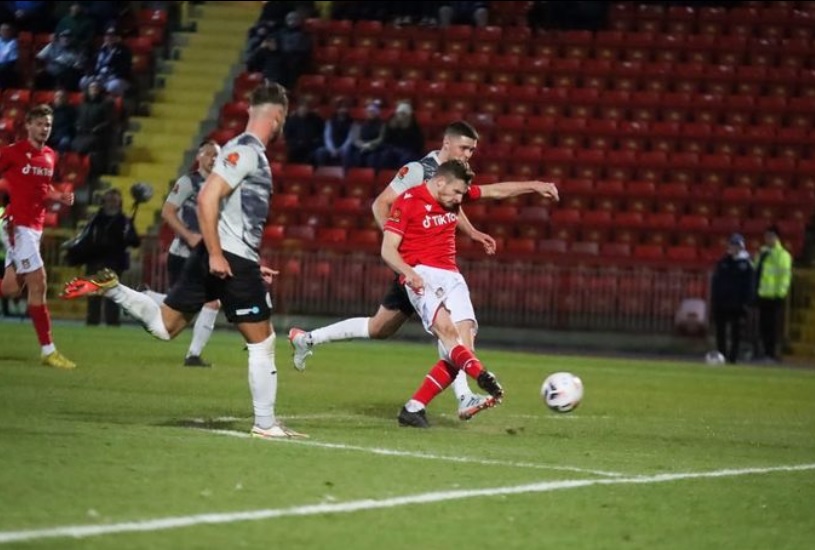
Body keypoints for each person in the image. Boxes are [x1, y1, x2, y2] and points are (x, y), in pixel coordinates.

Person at [61, 82, 306, 439]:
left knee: (165, 326)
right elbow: (208, 198)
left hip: (227, 255)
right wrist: (221, 254)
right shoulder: (248, 151)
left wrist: (242, 259)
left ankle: (112, 289)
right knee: (262, 342)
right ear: (277, 116)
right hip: (227, 257)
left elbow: (228, 211)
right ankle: (266, 424)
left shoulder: (239, 150)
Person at [290, 121, 559, 420]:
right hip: (414, 266)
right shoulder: (418, 172)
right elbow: (381, 204)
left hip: (432, 267)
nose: (468, 154)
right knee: (447, 332)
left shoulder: (453, 181)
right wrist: (400, 249)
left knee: (380, 328)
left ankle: (307, 339)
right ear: (447, 143)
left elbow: (463, 202)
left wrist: (473, 231)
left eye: (472, 150)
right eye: (464, 148)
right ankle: (459, 396)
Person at [382, 160, 507, 427]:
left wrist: (534, 186)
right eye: (458, 193)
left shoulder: (451, 197)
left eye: (463, 194)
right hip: (421, 275)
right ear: (440, 182)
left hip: (452, 277)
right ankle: (482, 377)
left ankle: (413, 408)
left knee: (463, 347)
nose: (460, 199)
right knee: (449, 335)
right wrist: (408, 272)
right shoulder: (408, 201)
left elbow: (496, 192)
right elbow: (387, 250)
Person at [0, 104, 76, 369]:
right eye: (40, 124)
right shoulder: (13, 152)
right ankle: (48, 350)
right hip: (18, 225)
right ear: (28, 125)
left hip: (34, 227)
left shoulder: (50, 156)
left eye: (48, 125)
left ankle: (48, 351)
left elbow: (43, 190)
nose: (45, 129)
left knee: (10, 289)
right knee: (39, 284)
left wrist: (59, 196)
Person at [155, 139, 222, 367]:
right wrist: (189, 236)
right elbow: (168, 212)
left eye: (217, 155)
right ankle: (146, 296)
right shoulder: (188, 182)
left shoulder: (220, 185)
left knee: (208, 303)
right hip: (183, 255)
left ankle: (193, 355)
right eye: (209, 153)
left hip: (204, 256)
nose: (214, 158)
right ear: (199, 157)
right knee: (182, 310)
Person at [83, 188, 140, 326]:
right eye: (109, 201)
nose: (111, 204)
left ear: (120, 203)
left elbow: (135, 242)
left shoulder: (125, 221)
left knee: (113, 298)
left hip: (114, 263)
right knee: (94, 297)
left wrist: (128, 235)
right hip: (95, 261)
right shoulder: (95, 220)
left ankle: (112, 324)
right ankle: (92, 324)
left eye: (114, 201)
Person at [710, 233, 754, 364]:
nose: (733, 248)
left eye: (736, 245)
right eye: (732, 245)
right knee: (720, 331)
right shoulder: (723, 262)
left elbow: (750, 285)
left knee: (736, 332)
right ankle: (721, 355)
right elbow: (716, 281)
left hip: (738, 304)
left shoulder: (747, 264)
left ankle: (733, 357)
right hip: (722, 302)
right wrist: (715, 299)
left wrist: (747, 302)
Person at [754, 225, 792, 363]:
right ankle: (764, 352)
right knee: (763, 326)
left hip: (774, 296)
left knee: (773, 327)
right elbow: (757, 270)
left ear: (776, 238)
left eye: (770, 236)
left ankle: (771, 354)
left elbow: (784, 276)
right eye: (766, 237)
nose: (767, 239)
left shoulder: (783, 255)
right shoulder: (763, 253)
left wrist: (781, 294)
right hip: (762, 294)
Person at [282, 97, 324, 164]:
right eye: (302, 108)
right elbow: (287, 137)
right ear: (298, 109)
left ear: (309, 109)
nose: (304, 110)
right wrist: (297, 142)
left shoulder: (316, 119)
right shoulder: (292, 120)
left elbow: (321, 135)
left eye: (306, 108)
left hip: (312, 147)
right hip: (296, 147)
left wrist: (314, 142)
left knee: (318, 153)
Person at [314, 98, 354, 167]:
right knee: (320, 151)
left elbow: (350, 139)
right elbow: (327, 137)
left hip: (344, 148)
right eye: (341, 108)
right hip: (331, 147)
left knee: (347, 153)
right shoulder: (330, 121)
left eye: (344, 108)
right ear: (337, 110)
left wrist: (340, 149)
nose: (343, 110)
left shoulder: (352, 123)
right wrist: (332, 149)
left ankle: (344, 174)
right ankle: (321, 171)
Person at [47, 89, 76, 153]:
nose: (59, 98)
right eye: (57, 96)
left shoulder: (71, 110)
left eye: (61, 97)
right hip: (51, 133)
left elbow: (72, 125)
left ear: (65, 99)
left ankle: (59, 159)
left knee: (64, 142)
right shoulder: (49, 110)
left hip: (64, 134)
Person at [0, 23, 19, 88]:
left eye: (6, 30)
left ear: (10, 32)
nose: (4, 32)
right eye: (2, 30)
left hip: (6, 66)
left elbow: (12, 60)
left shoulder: (13, 43)